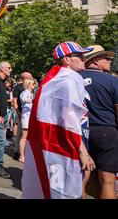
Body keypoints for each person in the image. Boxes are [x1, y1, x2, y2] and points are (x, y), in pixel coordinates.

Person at [22, 41, 96, 199]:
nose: (84, 59)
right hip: (62, 146)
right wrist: (83, 152)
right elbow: (69, 122)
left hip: (56, 144)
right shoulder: (69, 81)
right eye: (80, 56)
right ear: (66, 60)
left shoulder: (56, 79)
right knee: (64, 189)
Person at [79, 45, 118, 199]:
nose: (110, 60)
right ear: (95, 61)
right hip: (105, 133)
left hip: (80, 133)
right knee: (107, 181)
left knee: (83, 178)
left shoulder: (74, 78)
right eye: (106, 58)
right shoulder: (111, 80)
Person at [12, 72, 33, 160]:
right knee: (21, 134)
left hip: (28, 115)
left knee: (26, 136)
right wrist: (18, 112)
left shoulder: (30, 92)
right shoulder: (19, 88)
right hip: (23, 114)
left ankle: (24, 152)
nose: (31, 78)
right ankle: (19, 153)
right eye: (30, 78)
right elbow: (16, 100)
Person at [18, 78, 36, 163]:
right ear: (28, 85)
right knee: (24, 137)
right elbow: (24, 100)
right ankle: (22, 156)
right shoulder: (24, 93)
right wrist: (33, 101)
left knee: (29, 137)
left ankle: (27, 154)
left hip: (31, 117)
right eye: (33, 83)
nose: (35, 85)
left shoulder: (32, 93)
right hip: (26, 116)